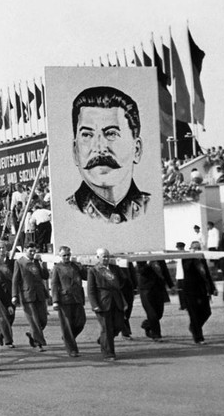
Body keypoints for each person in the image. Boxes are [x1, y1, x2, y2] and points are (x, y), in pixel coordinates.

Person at [66, 86, 150, 222]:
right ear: (75, 151)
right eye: (87, 135)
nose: (99, 147)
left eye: (111, 133)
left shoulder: (149, 208)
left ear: (137, 149)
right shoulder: (69, 211)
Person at [86, 248, 127, 361]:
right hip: (103, 303)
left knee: (119, 325)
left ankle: (103, 340)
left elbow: (123, 281)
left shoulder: (115, 268)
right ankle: (108, 353)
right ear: (98, 257)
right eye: (103, 256)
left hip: (117, 301)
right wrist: (95, 305)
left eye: (107, 256)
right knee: (107, 328)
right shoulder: (93, 270)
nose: (105, 258)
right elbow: (91, 290)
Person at [11, 242, 49, 350]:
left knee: (43, 320)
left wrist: (43, 265)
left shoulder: (37, 262)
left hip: (40, 294)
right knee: (35, 320)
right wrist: (14, 295)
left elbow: (45, 276)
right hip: (27, 295)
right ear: (25, 250)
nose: (32, 253)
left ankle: (32, 334)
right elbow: (15, 280)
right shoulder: (20, 262)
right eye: (30, 251)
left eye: (34, 251)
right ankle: (39, 343)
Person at [49, 246, 86, 356]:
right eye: (64, 255)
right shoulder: (57, 268)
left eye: (68, 255)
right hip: (64, 299)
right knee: (67, 325)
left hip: (77, 298)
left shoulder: (75, 266)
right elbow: (54, 284)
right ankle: (72, 350)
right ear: (60, 256)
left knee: (81, 322)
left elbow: (86, 276)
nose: (66, 257)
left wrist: (81, 266)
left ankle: (67, 338)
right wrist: (55, 300)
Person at [181, 242, 217, 345]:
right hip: (191, 291)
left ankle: (194, 327)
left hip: (202, 290)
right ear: (190, 249)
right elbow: (187, 268)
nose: (197, 250)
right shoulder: (186, 258)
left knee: (207, 312)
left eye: (198, 248)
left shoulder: (202, 259)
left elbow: (207, 274)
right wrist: (192, 256)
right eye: (194, 248)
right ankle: (199, 338)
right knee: (195, 315)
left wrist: (212, 288)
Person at [136, 260, 173, 341]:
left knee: (159, 313)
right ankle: (156, 335)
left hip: (159, 288)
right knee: (152, 313)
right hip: (146, 289)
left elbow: (165, 272)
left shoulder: (160, 258)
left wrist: (171, 285)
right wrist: (149, 265)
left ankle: (147, 324)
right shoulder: (141, 258)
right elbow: (140, 271)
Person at [0, 241, 15, 348]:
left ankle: (0, 334)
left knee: (11, 316)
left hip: (10, 292)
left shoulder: (11, 262)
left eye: (3, 248)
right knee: (4, 316)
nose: (1, 250)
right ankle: (9, 340)